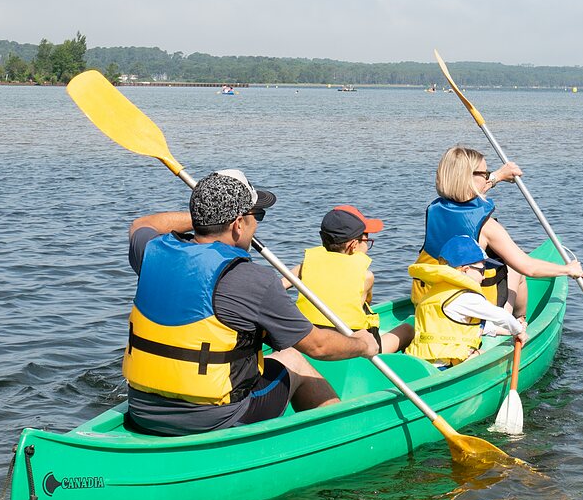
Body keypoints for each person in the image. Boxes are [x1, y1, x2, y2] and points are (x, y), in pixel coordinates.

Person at [124, 169, 378, 435]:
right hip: (213, 418)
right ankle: (337, 436)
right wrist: (363, 344)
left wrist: (206, 218)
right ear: (238, 224)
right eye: (256, 216)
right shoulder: (253, 279)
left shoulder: (150, 251)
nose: (256, 224)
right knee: (293, 358)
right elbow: (319, 346)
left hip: (143, 410)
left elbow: (143, 223)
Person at [413, 145, 583, 319]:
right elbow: (529, 267)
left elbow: (468, 191)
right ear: (469, 178)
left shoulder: (434, 210)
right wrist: (568, 269)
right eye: (485, 173)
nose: (488, 176)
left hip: (429, 299)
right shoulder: (488, 227)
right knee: (514, 268)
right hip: (472, 312)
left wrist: (499, 176)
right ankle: (519, 321)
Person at [286, 205, 414, 355]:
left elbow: (279, 286)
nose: (368, 244)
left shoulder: (304, 266)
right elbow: (358, 309)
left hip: (309, 340)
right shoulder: (366, 276)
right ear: (353, 245)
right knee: (408, 329)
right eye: (367, 239)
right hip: (352, 346)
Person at [406, 235, 528, 368]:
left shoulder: (436, 293)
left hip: (421, 362)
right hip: (447, 364)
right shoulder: (466, 297)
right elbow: (502, 316)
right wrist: (518, 331)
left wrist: (504, 330)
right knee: (483, 353)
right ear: (465, 270)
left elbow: (460, 326)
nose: (483, 276)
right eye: (482, 271)